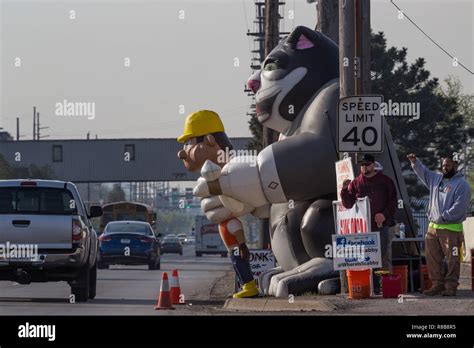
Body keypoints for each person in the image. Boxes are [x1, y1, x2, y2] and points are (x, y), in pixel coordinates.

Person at [177, 110, 259, 298]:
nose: (183, 152)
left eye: (189, 143)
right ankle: (248, 286)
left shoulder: (233, 174)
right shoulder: (212, 177)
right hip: (232, 245)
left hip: (236, 244)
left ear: (210, 140)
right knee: (237, 263)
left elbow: (236, 224)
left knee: (240, 263)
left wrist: (244, 245)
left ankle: (249, 287)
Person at [407, 153, 471, 296]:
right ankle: (437, 284)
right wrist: (415, 162)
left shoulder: (462, 185)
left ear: (455, 165)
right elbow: (424, 173)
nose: (445, 167)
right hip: (433, 229)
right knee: (432, 259)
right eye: (443, 165)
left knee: (453, 259)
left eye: (447, 165)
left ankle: (451, 287)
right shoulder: (436, 179)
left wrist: (443, 217)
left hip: (451, 230)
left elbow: (460, 207)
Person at [340, 154, 398, 292]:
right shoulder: (356, 182)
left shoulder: (385, 181)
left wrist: (384, 215)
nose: (363, 167)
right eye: (361, 165)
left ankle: (385, 288)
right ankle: (369, 288)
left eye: (366, 164)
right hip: (363, 230)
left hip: (382, 227)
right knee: (365, 258)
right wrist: (344, 190)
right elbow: (348, 204)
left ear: (373, 165)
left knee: (383, 257)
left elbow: (394, 202)